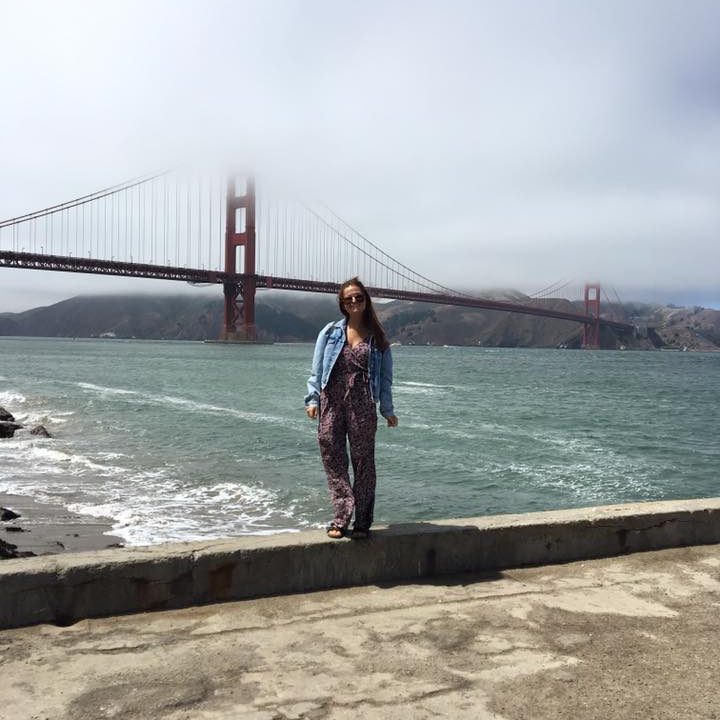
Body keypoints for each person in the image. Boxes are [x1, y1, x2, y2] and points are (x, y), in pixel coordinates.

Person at [305, 277, 398, 539]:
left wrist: (388, 410)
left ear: (366, 300)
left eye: (358, 297)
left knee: (364, 464)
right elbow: (317, 370)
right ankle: (342, 515)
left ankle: (362, 522)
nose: (354, 302)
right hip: (331, 402)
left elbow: (386, 379)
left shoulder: (378, 339)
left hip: (363, 406)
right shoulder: (330, 332)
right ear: (342, 304)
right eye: (348, 299)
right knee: (332, 458)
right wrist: (312, 400)